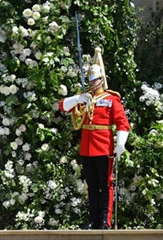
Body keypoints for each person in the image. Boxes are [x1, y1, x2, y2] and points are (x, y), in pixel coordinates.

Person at [59, 48, 130, 229]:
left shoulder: (112, 99)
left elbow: (122, 123)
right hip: (86, 148)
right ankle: (93, 221)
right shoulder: (84, 98)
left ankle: (105, 221)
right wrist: (78, 98)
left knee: (105, 185)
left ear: (101, 80)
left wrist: (120, 144)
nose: (92, 83)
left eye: (95, 80)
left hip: (104, 147)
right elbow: (63, 107)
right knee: (91, 186)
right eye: (90, 80)